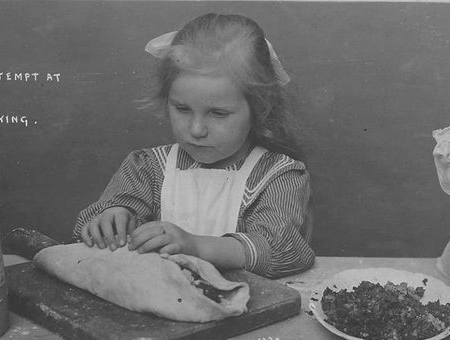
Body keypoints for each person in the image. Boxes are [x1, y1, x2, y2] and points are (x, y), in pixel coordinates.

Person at [73, 13, 315, 278]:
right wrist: (113, 217)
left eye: (218, 113)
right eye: (182, 109)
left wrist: (196, 245)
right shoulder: (148, 168)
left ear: (260, 107)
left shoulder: (278, 176)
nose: (196, 130)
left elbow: (280, 249)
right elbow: (100, 227)